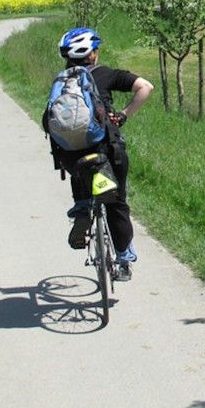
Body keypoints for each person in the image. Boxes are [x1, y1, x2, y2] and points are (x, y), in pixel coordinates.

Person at [50, 27, 153, 281]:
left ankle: (83, 209)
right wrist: (123, 115)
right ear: (93, 53)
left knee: (79, 162)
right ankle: (123, 260)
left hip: (71, 155)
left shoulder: (61, 81)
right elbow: (145, 87)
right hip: (107, 149)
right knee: (117, 203)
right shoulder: (106, 74)